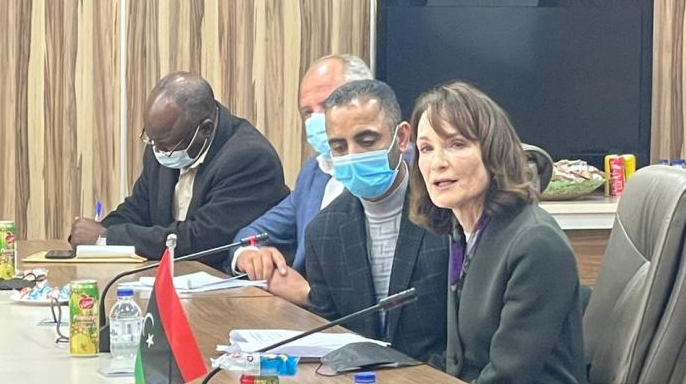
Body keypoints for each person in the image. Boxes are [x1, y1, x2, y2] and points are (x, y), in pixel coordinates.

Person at [408, 82, 586, 384]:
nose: (437, 162)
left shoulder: (535, 242)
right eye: (426, 148)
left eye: (456, 144)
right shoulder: (462, 233)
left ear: (493, 154)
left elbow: (509, 378)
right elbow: (459, 359)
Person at [68, 72, 288, 268]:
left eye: (164, 145)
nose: (157, 150)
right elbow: (138, 209)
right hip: (176, 278)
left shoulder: (249, 158)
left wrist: (108, 237)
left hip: (230, 286)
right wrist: (96, 234)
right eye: (152, 140)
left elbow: (202, 241)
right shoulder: (163, 143)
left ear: (206, 129)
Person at [301, 80, 448, 363]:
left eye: (366, 141)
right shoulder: (322, 233)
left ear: (402, 138)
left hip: (438, 380)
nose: (352, 156)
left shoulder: (445, 213)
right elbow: (327, 338)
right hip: (356, 381)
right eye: (339, 147)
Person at [228, 54, 371, 286]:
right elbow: (253, 233)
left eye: (327, 105)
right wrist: (249, 254)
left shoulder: (390, 169)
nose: (316, 119)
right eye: (307, 112)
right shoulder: (314, 171)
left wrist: (308, 295)